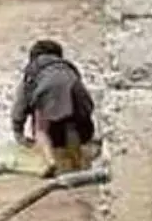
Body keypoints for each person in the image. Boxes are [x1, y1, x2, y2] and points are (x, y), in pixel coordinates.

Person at [10, 39, 98, 175]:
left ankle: (50, 163)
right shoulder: (66, 68)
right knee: (71, 124)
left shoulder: (33, 72)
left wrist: (18, 133)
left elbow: (19, 106)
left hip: (45, 91)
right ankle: (77, 162)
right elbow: (87, 103)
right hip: (73, 87)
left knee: (41, 130)